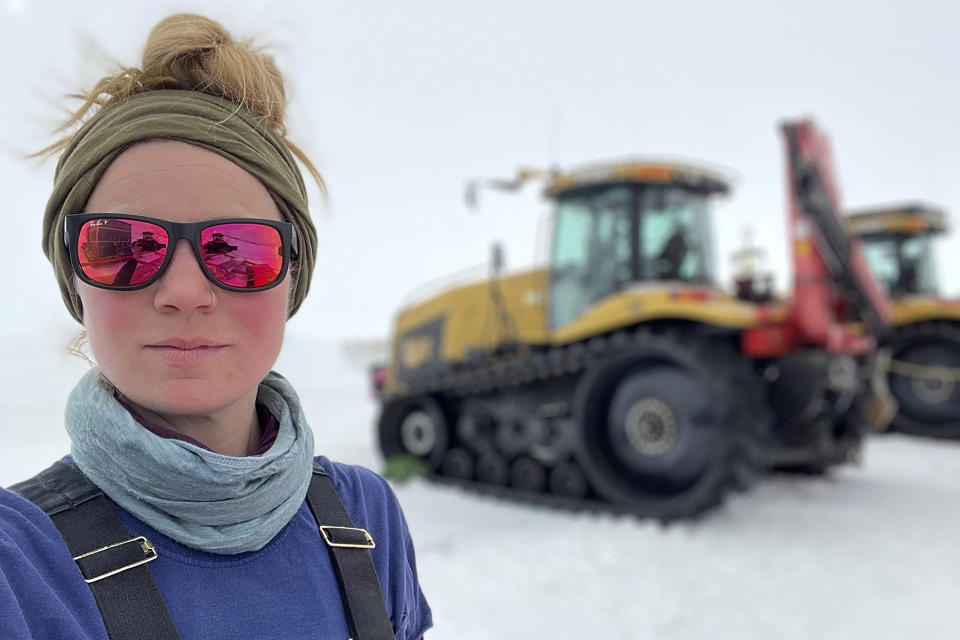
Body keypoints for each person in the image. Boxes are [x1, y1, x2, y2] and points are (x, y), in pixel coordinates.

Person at [0, 13, 432, 640]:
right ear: (77, 281)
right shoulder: (20, 564)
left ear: (291, 278)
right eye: (124, 247)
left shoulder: (366, 518)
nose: (183, 293)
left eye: (237, 248)